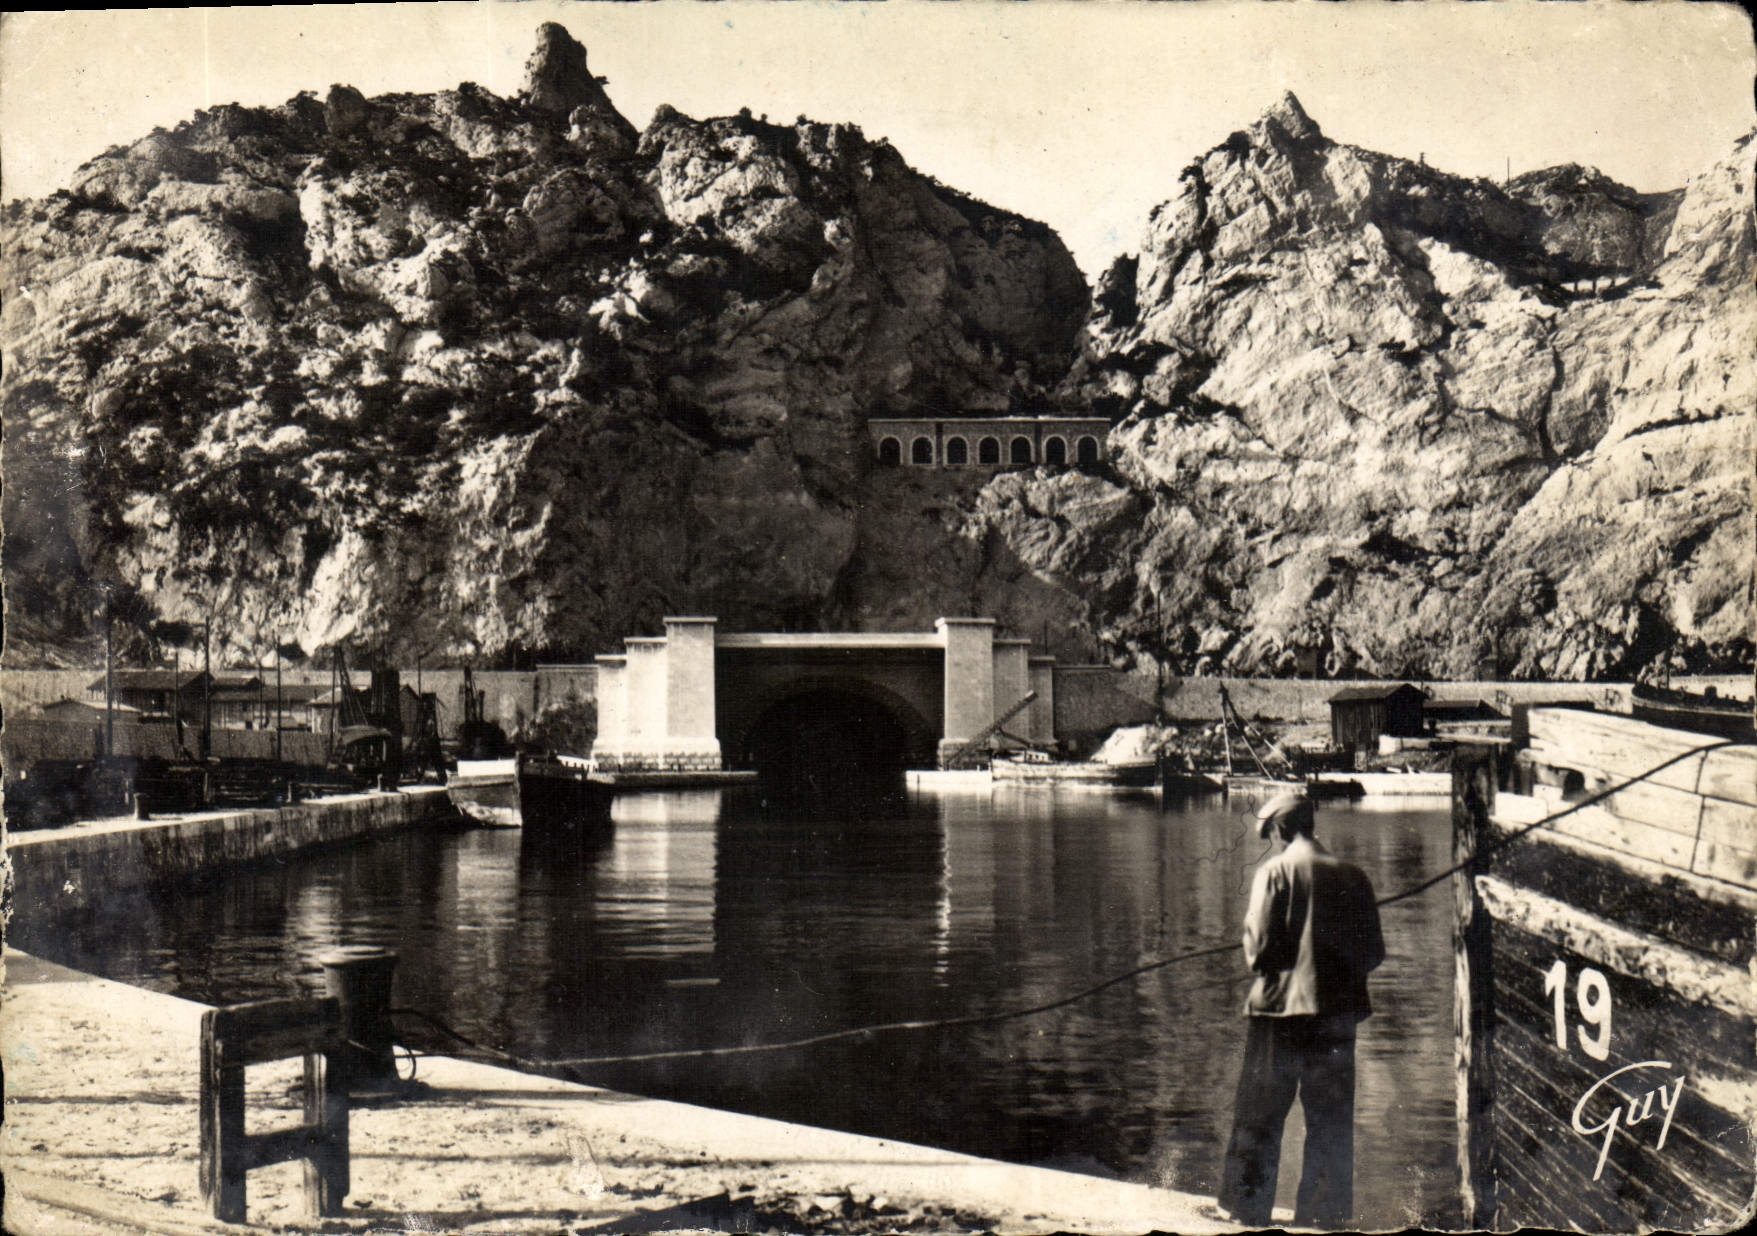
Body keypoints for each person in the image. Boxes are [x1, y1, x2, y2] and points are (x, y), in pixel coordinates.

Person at [1217, 792, 1385, 1229]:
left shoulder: (1274, 872)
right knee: (1330, 1120)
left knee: (1260, 1113)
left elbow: (1257, 953)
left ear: (1280, 830)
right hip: (1336, 1018)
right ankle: (1323, 1216)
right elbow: (1372, 953)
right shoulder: (1355, 876)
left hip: (1278, 1014)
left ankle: (1245, 1208)